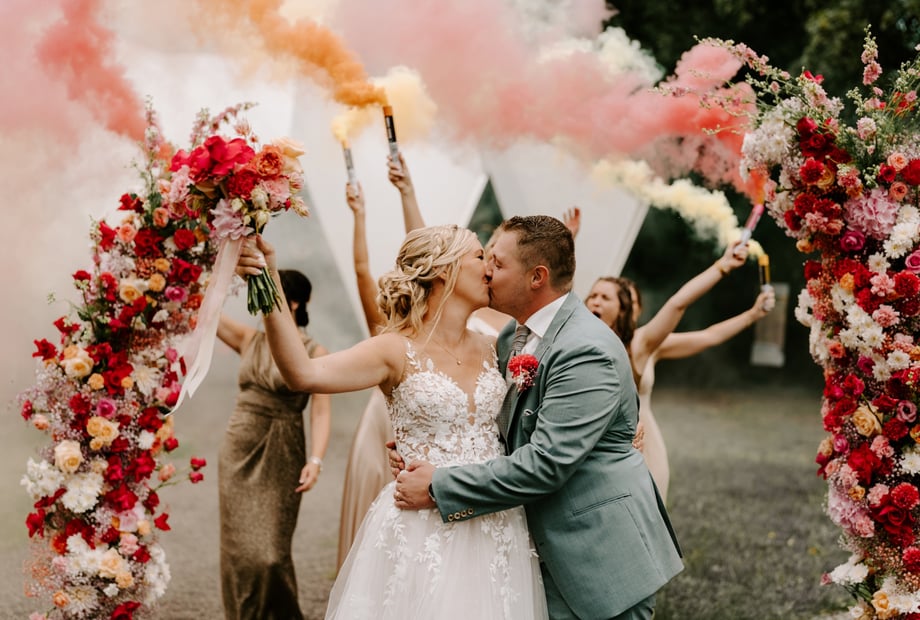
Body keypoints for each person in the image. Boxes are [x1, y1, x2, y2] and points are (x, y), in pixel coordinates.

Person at [236, 225, 548, 618]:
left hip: (497, 523)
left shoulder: (497, 346)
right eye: (478, 256)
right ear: (443, 269)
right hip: (422, 528)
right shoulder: (393, 349)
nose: (488, 267)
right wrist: (268, 279)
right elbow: (303, 373)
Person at [394, 215, 683, 619]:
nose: (487, 271)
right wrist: (430, 440)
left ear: (537, 277)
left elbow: (546, 463)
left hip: (598, 559)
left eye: (498, 262)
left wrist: (438, 483)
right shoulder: (511, 337)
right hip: (533, 551)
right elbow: (501, 423)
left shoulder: (586, 349)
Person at [584, 251, 775, 502]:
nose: (596, 302)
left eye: (607, 297)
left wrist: (749, 310)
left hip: (641, 445)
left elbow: (700, 327)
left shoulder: (642, 343)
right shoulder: (579, 342)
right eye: (593, 296)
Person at [216, 269, 331, 620]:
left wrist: (315, 460)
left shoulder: (314, 351)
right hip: (238, 446)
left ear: (293, 303)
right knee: (239, 551)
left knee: (270, 554)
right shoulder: (248, 338)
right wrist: (222, 268)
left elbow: (321, 412)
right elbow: (204, 310)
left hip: (283, 447)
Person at [336, 154, 424, 570]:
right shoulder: (384, 330)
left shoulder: (446, 329)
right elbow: (360, 269)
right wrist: (359, 215)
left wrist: (405, 191)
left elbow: (425, 254)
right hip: (382, 425)